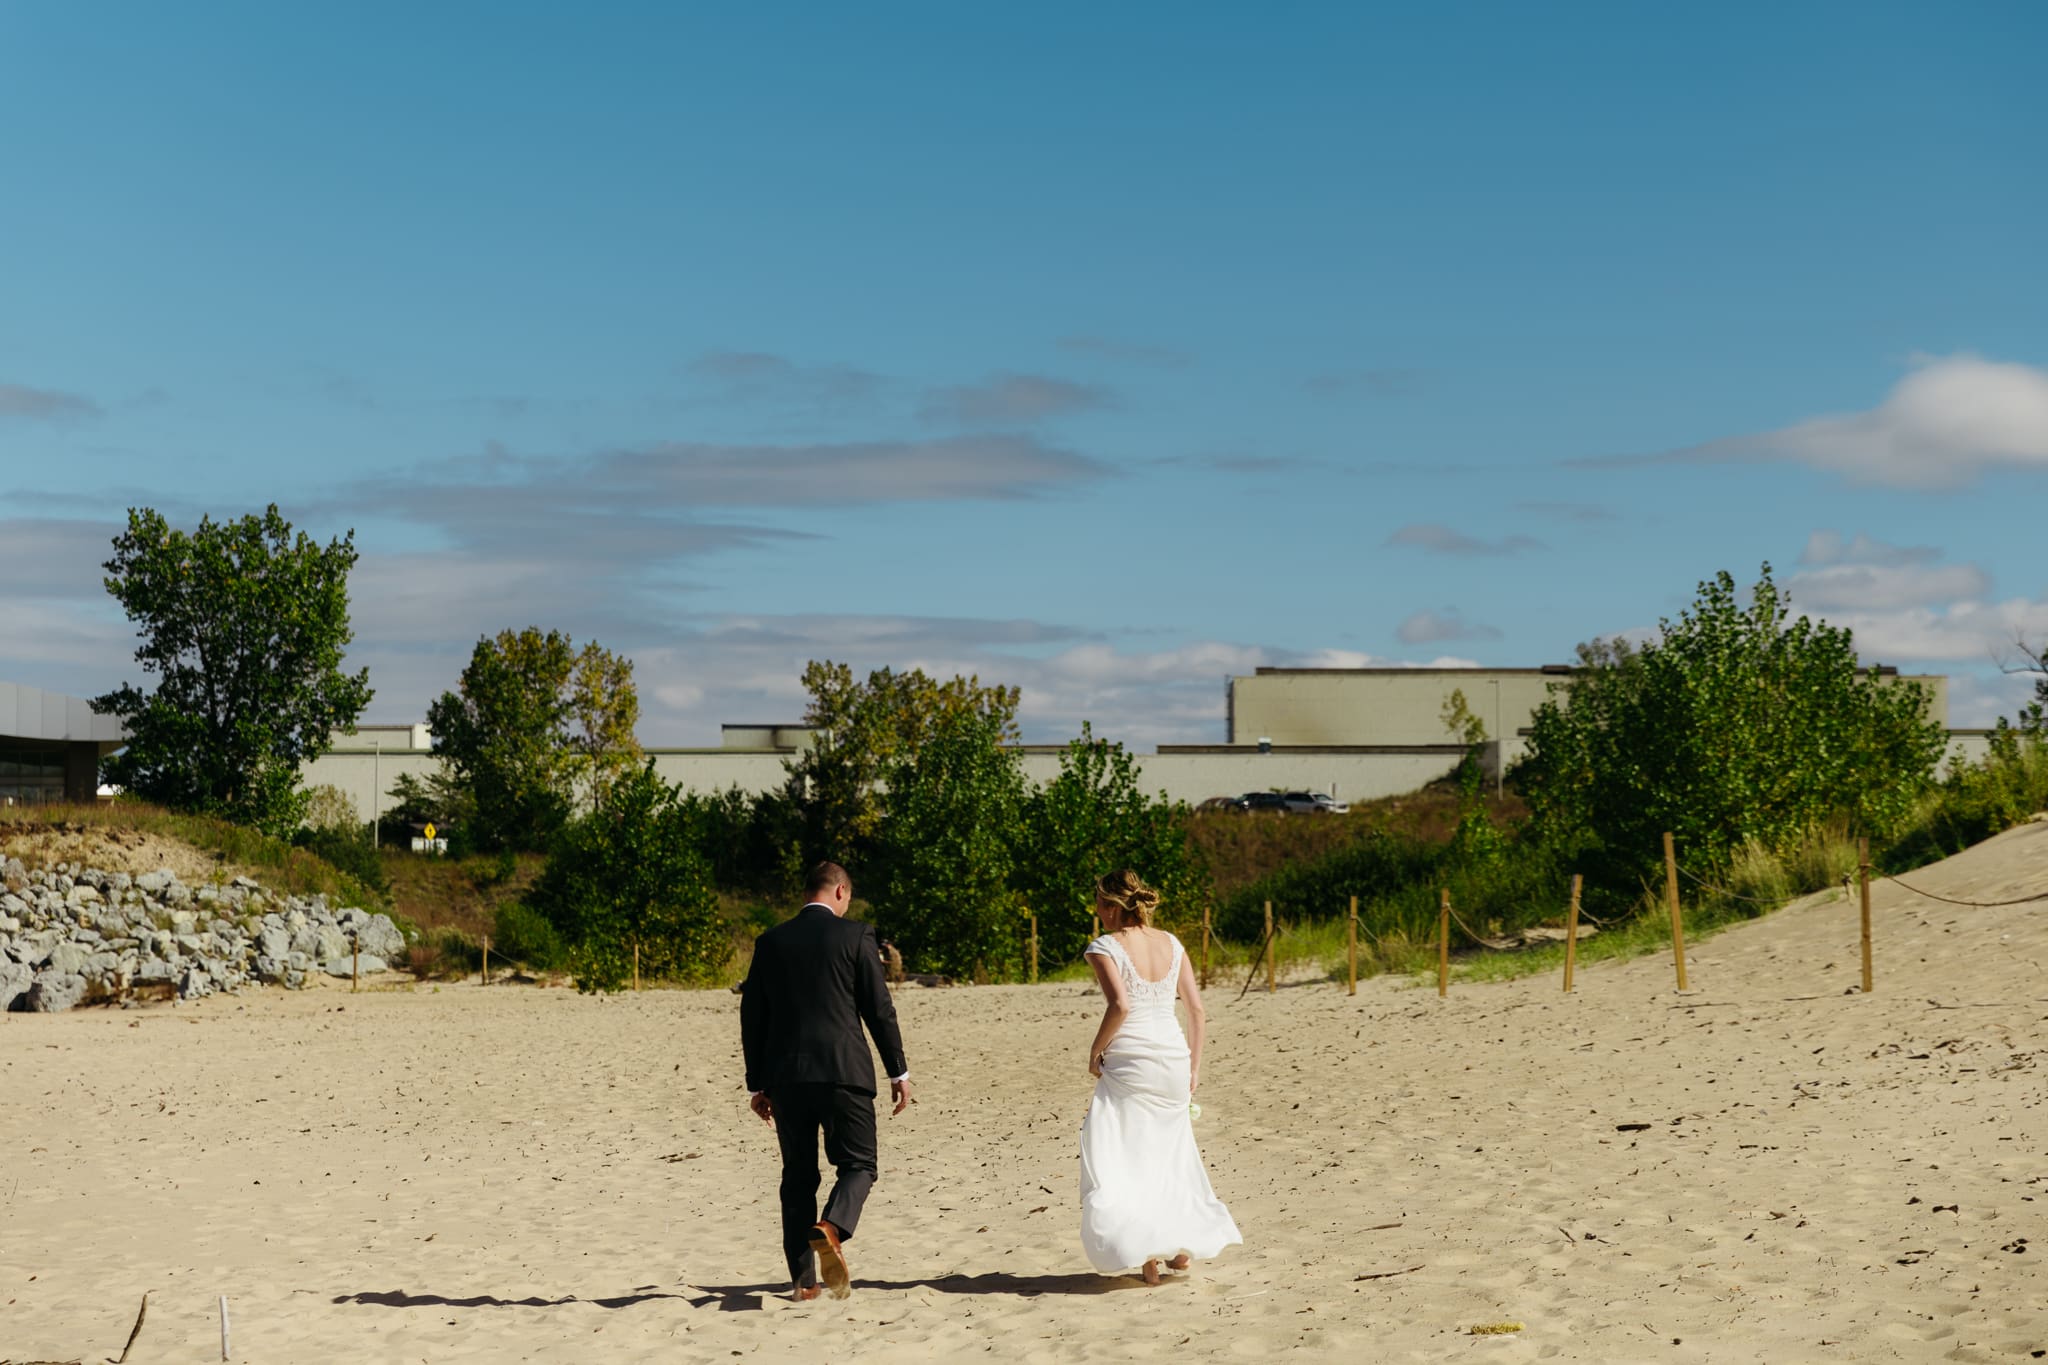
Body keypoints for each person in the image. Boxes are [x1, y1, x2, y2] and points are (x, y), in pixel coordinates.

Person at [740, 862, 912, 1301]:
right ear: (840, 892)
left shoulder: (770, 941)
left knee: (797, 1177)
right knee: (859, 1165)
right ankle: (831, 1227)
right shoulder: (856, 936)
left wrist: (757, 1084)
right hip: (844, 1073)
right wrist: (898, 1070)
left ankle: (804, 1283)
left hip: (787, 1078)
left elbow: (752, 1016)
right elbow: (879, 1008)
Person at [1079, 869, 1241, 1283]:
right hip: (1172, 1058)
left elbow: (1120, 1006)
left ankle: (1149, 1256)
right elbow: (1197, 1010)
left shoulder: (1105, 947)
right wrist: (1194, 1066)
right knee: (1168, 1153)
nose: (1098, 913)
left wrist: (1096, 1051)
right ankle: (1178, 1249)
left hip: (1131, 1060)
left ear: (1112, 908)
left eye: (1099, 904)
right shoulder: (1172, 943)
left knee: (1126, 1155)